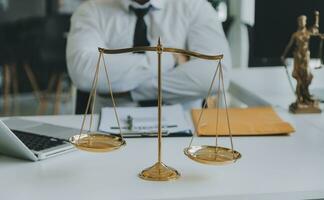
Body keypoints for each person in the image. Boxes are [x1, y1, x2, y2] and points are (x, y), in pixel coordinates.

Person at [66, 0, 232, 111]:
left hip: (185, 133)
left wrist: (128, 91)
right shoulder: (90, 10)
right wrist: (169, 58)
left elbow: (217, 75)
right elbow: (85, 74)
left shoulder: (196, 7)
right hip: (110, 133)